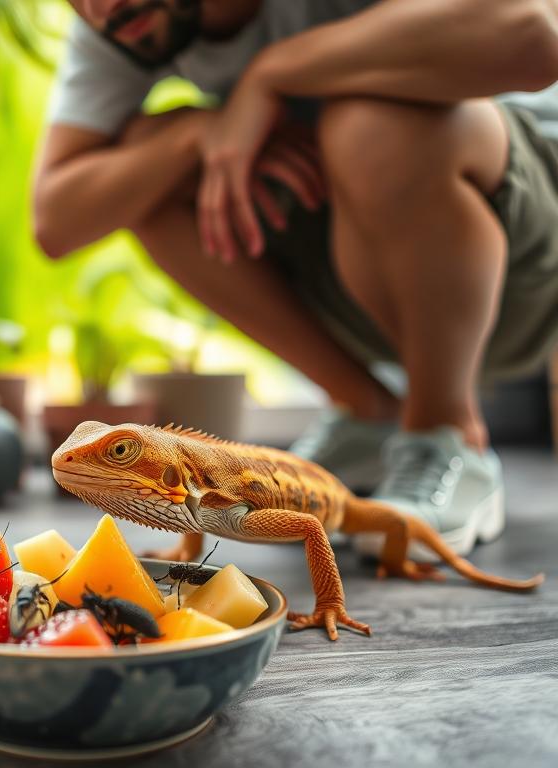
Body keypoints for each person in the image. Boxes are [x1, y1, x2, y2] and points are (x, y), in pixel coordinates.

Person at [31, 0, 558, 562]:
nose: (100, 8)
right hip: (373, 283)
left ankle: (448, 433)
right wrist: (197, 135)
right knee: (142, 163)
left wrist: (273, 73)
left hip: (527, 270)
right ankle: (365, 410)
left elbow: (538, 34)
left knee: (365, 124)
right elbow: (56, 220)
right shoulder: (126, 21)